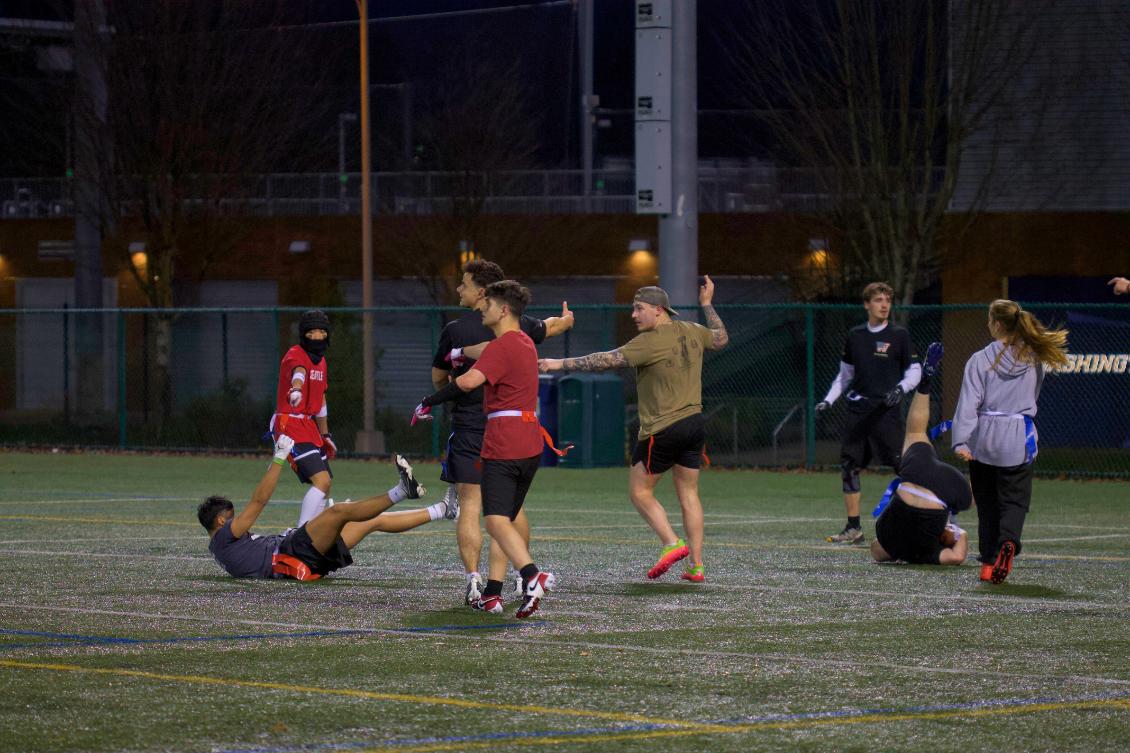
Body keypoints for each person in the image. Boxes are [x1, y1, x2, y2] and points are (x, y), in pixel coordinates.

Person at [539, 277, 729, 583]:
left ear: (658, 310)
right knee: (689, 494)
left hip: (663, 428)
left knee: (640, 491)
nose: (633, 315)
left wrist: (556, 363)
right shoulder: (693, 330)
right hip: (695, 424)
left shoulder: (649, 341)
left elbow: (603, 361)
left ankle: (672, 543)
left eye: (639, 309)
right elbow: (720, 339)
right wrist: (706, 305)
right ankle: (696, 565)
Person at [427, 259, 574, 608]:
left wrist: (431, 400)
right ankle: (496, 589)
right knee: (508, 516)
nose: (462, 292)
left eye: (465, 285)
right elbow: (548, 327)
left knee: (485, 514)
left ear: (493, 301)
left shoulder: (492, 338)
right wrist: (565, 322)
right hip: (526, 436)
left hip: (491, 433)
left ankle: (515, 576)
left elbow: (458, 379)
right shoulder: (524, 336)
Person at [198, 436, 457, 580]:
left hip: (299, 557)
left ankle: (443, 509)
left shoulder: (222, 546)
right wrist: (278, 458)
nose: (238, 521)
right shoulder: (225, 537)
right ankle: (402, 491)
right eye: (231, 518)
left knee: (371, 521)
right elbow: (258, 502)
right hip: (294, 554)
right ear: (221, 522)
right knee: (339, 512)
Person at [952, 299, 1069, 584]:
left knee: (988, 503)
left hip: (985, 437)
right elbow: (1035, 393)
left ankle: (989, 564)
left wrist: (960, 441)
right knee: (1015, 500)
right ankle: (1009, 542)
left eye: (990, 320)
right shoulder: (1033, 358)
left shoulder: (980, 359)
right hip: (1018, 435)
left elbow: (969, 402)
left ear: (998, 323)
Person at [816, 282, 920, 546]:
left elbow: (915, 370)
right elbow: (844, 376)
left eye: (888, 300)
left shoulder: (900, 336)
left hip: (886, 413)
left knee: (903, 468)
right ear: (867, 304)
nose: (884, 305)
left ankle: (921, 522)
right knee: (849, 467)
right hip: (857, 413)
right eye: (878, 300)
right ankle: (854, 529)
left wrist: (901, 388)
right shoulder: (855, 336)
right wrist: (827, 400)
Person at [870, 342, 972, 566]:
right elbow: (876, 550)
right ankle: (925, 383)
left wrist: (960, 534)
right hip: (908, 488)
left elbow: (956, 555)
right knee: (915, 432)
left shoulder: (928, 552)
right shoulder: (896, 545)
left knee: (969, 498)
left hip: (938, 491)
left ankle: (925, 382)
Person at [271, 309, 337, 527]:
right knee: (322, 481)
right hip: (289, 422)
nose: (317, 337)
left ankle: (314, 533)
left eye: (321, 332)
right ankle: (302, 535)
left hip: (308, 425)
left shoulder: (323, 362)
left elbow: (322, 400)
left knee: (326, 485)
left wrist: (325, 434)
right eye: (311, 333)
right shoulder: (295, 354)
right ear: (303, 335)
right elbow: (298, 373)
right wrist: (296, 389)